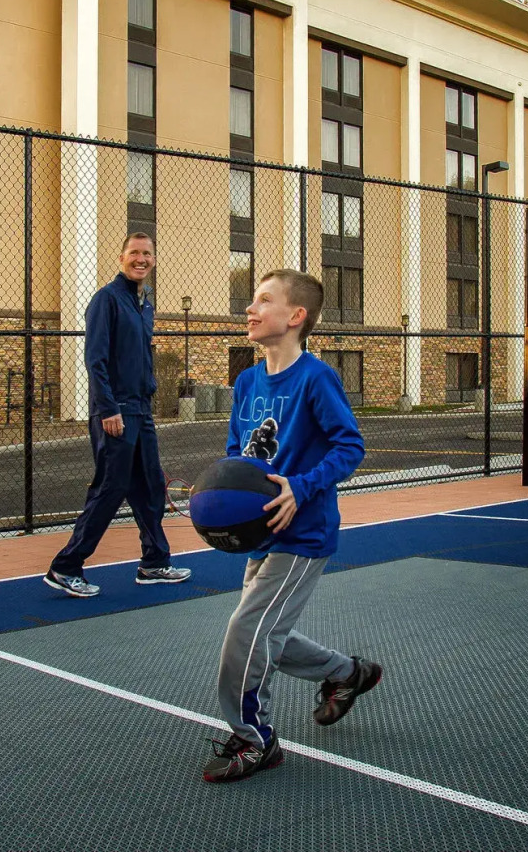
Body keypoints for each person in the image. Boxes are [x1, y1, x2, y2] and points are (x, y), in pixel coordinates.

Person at [202, 268, 378, 783]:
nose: (250, 309)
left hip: (304, 535)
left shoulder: (316, 377)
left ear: (295, 316)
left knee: (247, 629)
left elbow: (351, 447)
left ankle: (255, 739)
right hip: (264, 532)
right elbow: (239, 455)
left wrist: (300, 488)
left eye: (262, 300)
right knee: (266, 633)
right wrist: (220, 497)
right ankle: (349, 673)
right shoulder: (247, 381)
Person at [45, 232, 192, 597]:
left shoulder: (144, 304)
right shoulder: (105, 300)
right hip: (116, 411)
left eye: (147, 254)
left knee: (150, 488)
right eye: (134, 253)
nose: (141, 259)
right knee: (111, 488)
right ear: (121, 258)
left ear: (153, 259)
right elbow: (95, 360)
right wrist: (108, 408)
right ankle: (66, 567)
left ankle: (154, 563)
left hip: (142, 411)